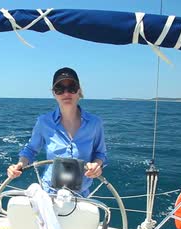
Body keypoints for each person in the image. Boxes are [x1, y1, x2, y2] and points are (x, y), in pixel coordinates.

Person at [6, 67, 108, 197]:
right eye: (60, 89)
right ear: (54, 93)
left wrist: (96, 166)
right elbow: (31, 150)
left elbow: (100, 153)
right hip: (49, 194)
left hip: (81, 196)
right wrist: (19, 164)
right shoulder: (43, 122)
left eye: (72, 87)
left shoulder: (95, 123)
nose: (66, 93)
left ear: (79, 91)